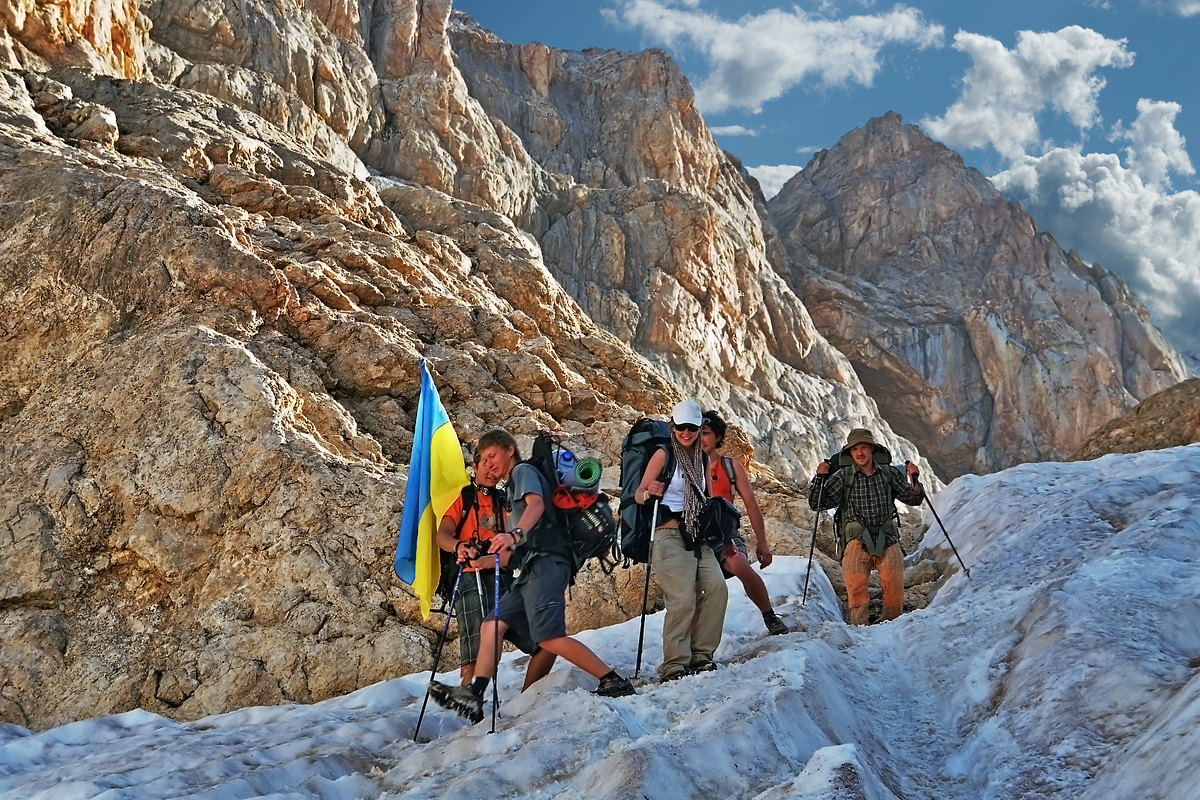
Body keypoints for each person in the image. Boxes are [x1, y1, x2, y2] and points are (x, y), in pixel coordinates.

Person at [429, 428, 634, 723]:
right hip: (528, 569)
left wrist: (514, 533)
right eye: (483, 460)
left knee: (548, 637)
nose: (488, 464)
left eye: (492, 455)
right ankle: (474, 694)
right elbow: (513, 552)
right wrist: (478, 556)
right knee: (492, 626)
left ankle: (612, 679)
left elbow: (536, 505)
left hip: (547, 564)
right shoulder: (512, 489)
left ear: (509, 449)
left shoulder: (523, 471)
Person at [634, 399, 729, 681]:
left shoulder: (702, 459)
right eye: (680, 428)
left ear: (700, 429)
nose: (685, 433)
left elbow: (708, 499)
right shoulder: (663, 455)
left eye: (691, 428)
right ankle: (675, 663)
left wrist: (724, 537)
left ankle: (701, 656)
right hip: (668, 534)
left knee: (717, 589)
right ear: (672, 427)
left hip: (697, 534)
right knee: (683, 598)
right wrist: (650, 490)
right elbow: (638, 495)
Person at [807, 427, 923, 625]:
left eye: (863, 448)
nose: (859, 453)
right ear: (850, 453)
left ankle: (892, 629)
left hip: (888, 538)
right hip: (855, 540)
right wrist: (819, 478)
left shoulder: (888, 473)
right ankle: (860, 634)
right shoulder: (844, 476)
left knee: (894, 591)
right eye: (855, 450)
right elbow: (817, 504)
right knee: (857, 595)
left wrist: (914, 479)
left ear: (871, 449)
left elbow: (913, 499)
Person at [700, 411, 789, 636]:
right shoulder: (686, 466)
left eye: (707, 433)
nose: (701, 438)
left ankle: (769, 614)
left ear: (718, 438)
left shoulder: (731, 468)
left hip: (723, 535)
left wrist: (763, 544)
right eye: (698, 433)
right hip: (695, 538)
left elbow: (751, 505)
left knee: (740, 565)